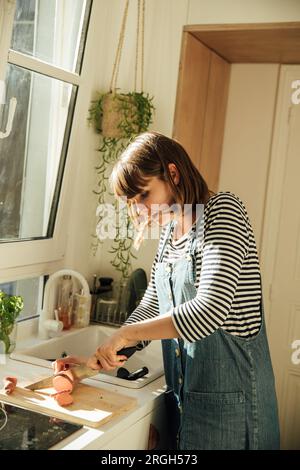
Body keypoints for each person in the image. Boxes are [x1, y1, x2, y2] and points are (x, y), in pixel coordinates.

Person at [54, 131, 280, 450]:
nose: (142, 211)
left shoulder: (223, 211)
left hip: (236, 415)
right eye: (133, 204)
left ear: (172, 173)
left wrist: (128, 335)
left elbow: (210, 310)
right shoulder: (171, 232)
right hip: (188, 409)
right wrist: (105, 352)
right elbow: (153, 305)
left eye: (144, 195)